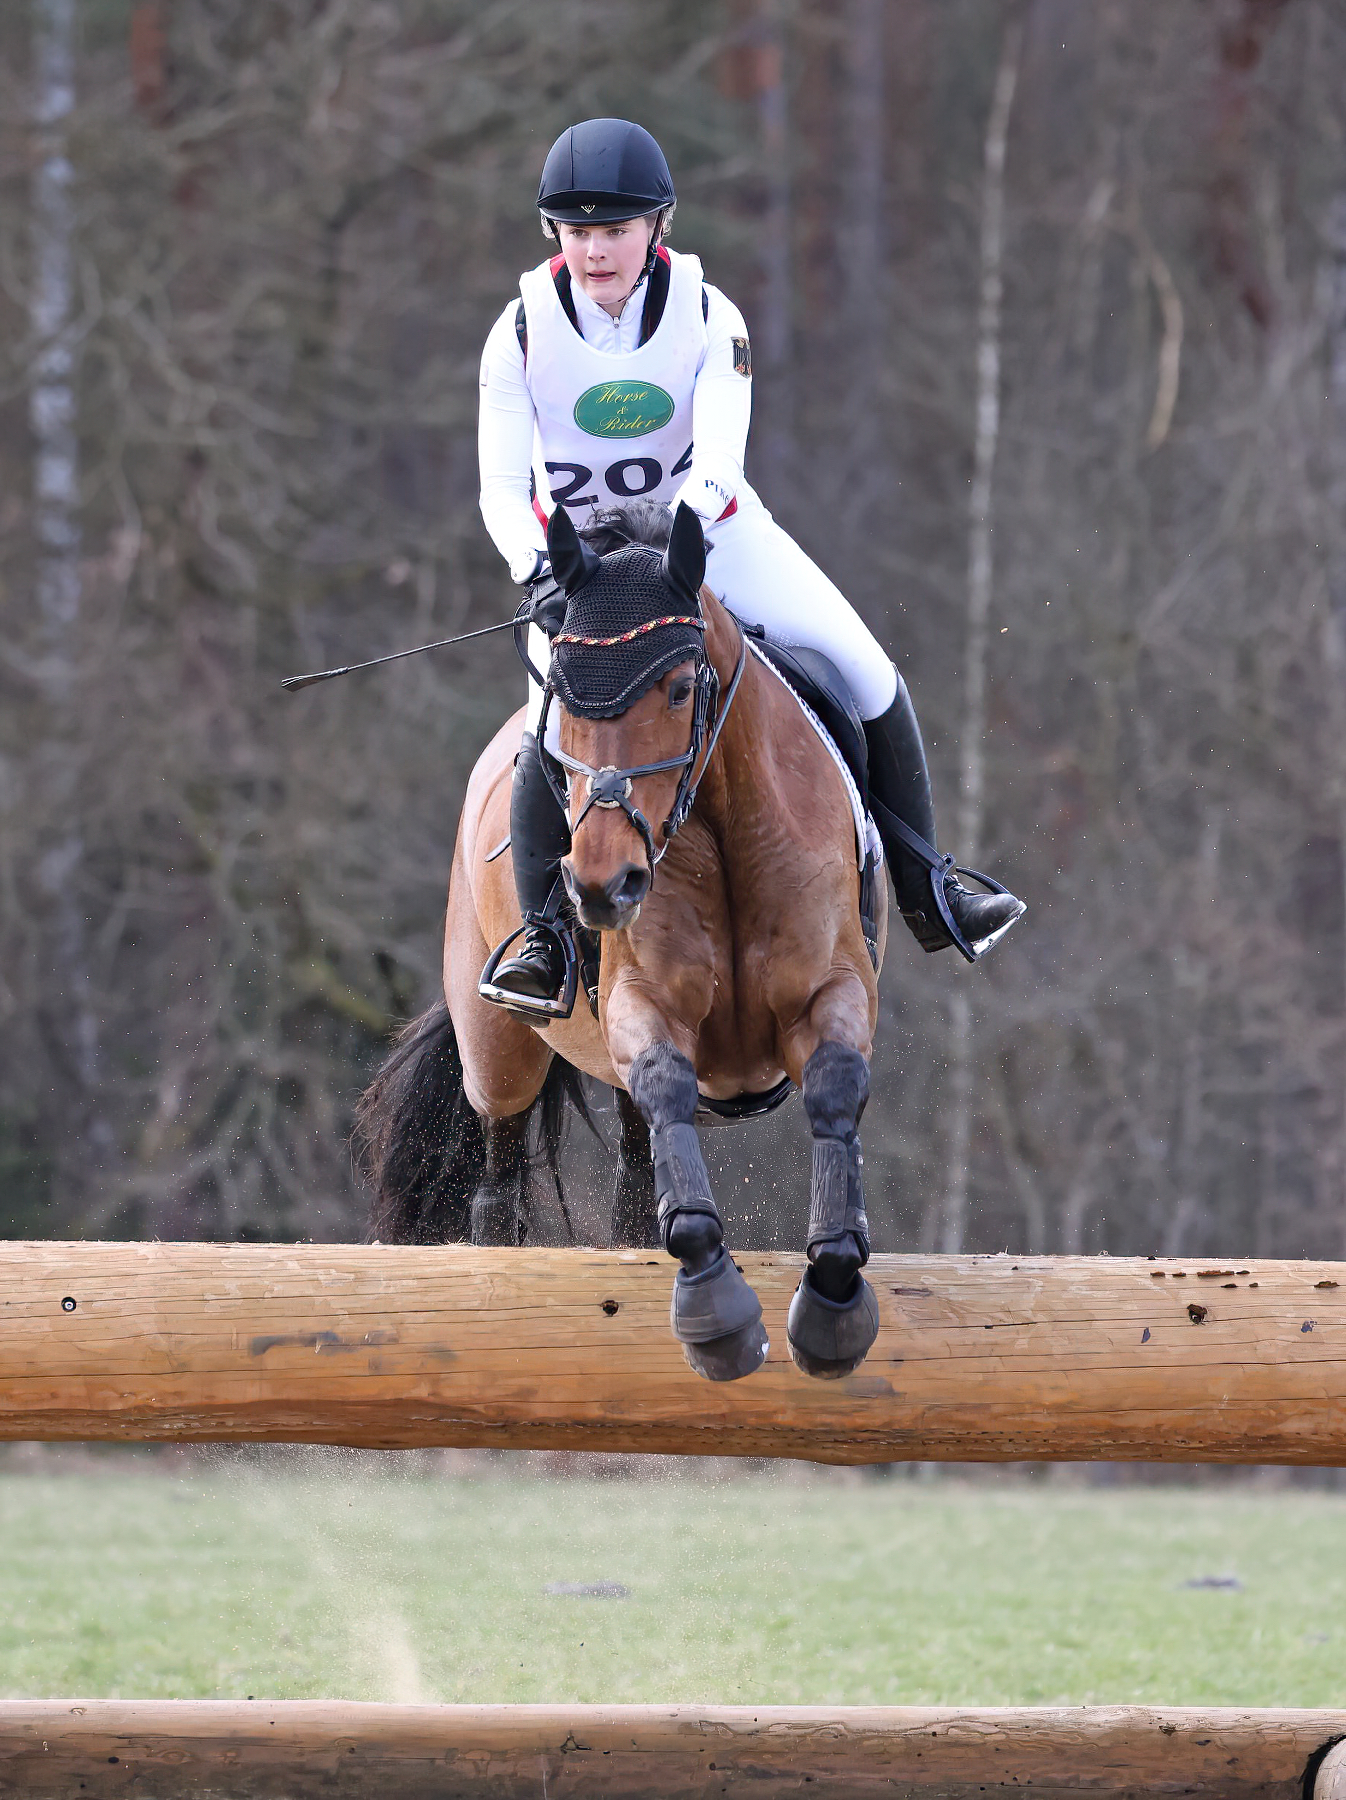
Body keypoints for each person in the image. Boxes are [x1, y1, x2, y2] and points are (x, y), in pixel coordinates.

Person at [476, 118, 1024, 1016]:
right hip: (586, 571)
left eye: (614, 230)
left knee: (866, 672)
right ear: (556, 236)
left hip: (710, 539)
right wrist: (535, 570)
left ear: (657, 227)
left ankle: (930, 885)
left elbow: (718, 464)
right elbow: (502, 486)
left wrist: (678, 555)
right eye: (578, 232)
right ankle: (545, 939)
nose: (596, 250)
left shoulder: (707, 316)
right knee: (549, 728)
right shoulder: (520, 334)